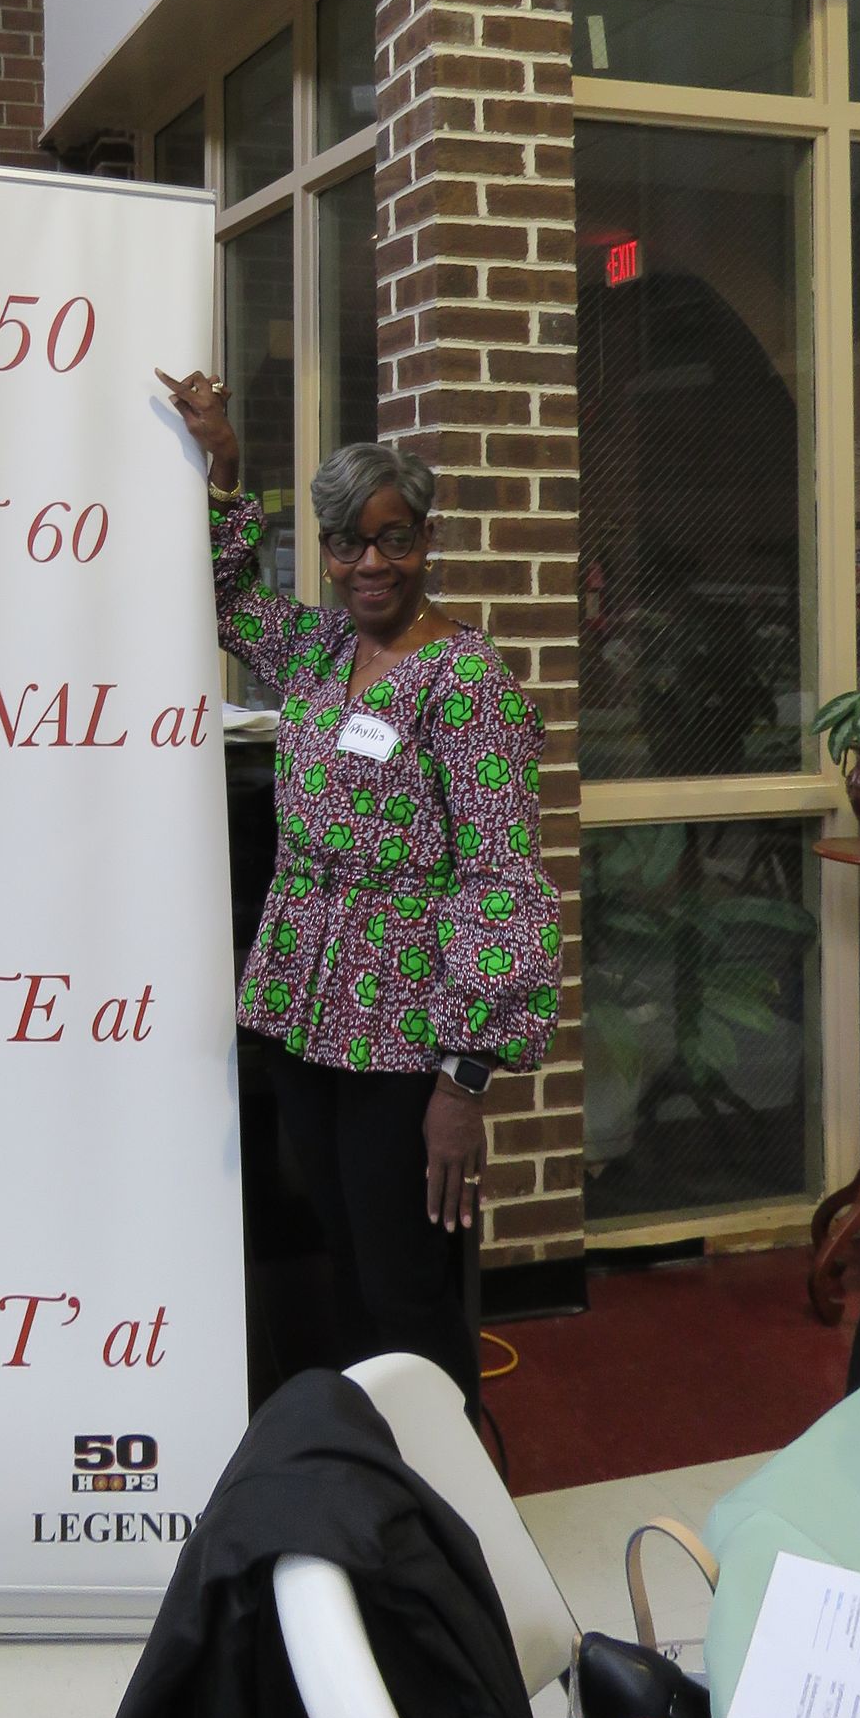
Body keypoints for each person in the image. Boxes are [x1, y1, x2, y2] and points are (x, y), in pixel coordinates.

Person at [158, 373, 562, 1404]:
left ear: (427, 542)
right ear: (326, 552)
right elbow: (221, 598)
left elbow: (504, 878)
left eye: (392, 539)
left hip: (405, 1036)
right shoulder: (322, 650)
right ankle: (366, 1484)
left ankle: (453, 1513)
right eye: (346, 542)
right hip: (306, 1015)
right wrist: (224, 468)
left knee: (406, 1289)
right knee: (342, 1261)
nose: (369, 563)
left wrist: (463, 1081)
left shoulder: (465, 682)